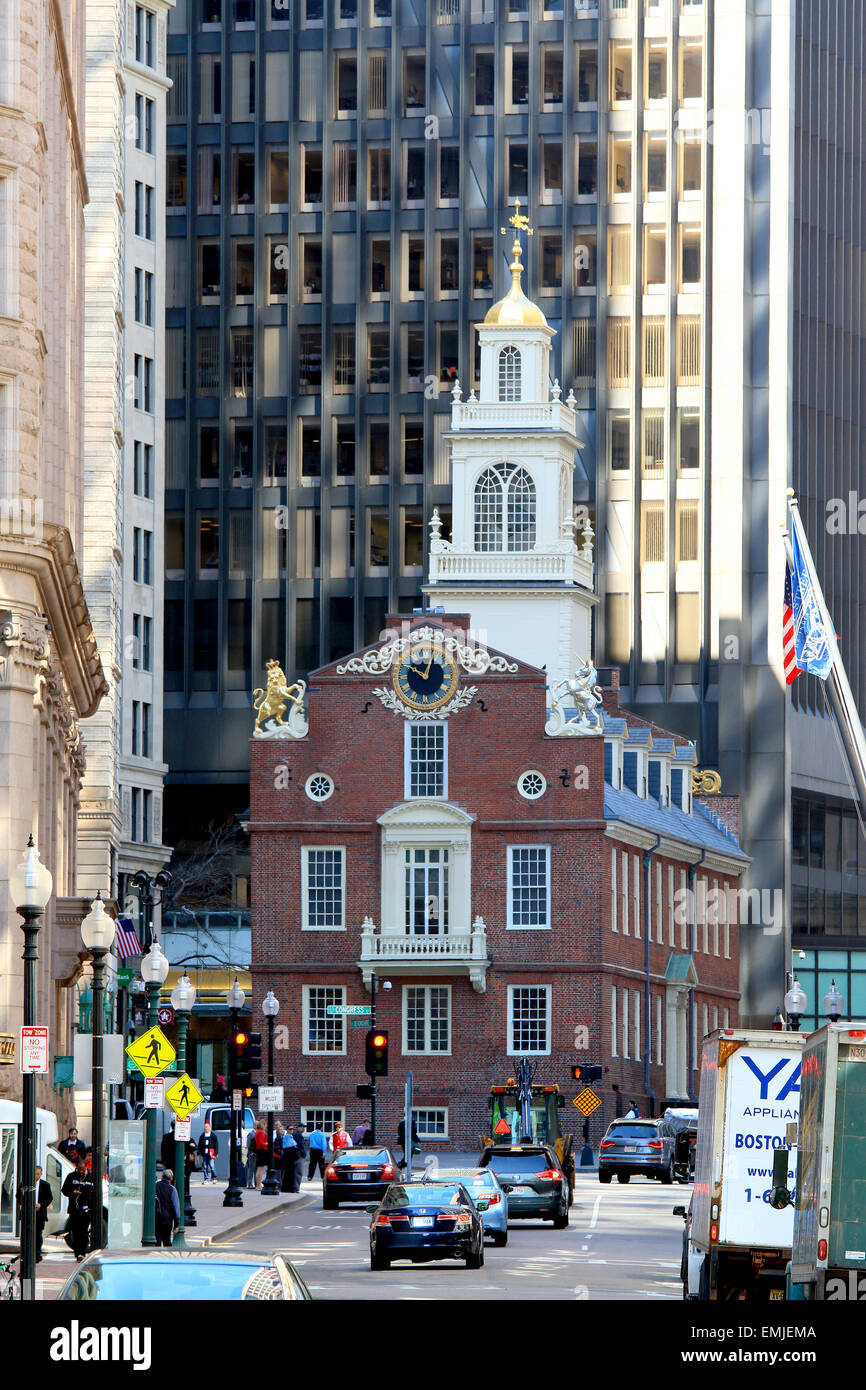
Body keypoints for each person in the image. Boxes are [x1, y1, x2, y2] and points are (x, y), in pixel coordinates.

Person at [16, 1166, 53, 1263]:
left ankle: (37, 1254)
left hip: (39, 1213)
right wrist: (26, 1203)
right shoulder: (24, 1184)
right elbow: (18, 1196)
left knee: (38, 1234)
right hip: (27, 1213)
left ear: (41, 1174)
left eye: (38, 1174)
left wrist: (41, 1205)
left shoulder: (45, 1185)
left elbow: (49, 1198)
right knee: (26, 1234)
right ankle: (25, 1254)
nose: (36, 1176)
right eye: (34, 1173)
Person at [61, 1158, 94, 1261]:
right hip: (74, 1208)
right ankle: (77, 1252)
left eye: (82, 1170)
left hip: (86, 1209)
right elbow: (64, 1190)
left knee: (83, 1231)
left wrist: (91, 1206)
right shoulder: (71, 1176)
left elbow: (95, 1192)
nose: (80, 1172)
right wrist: (72, 1192)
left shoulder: (91, 1177)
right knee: (75, 1232)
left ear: (86, 1168)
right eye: (79, 1169)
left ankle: (82, 1253)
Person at [154, 1168, 180, 1247]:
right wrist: (176, 1224)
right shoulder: (172, 1189)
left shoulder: (155, 1185)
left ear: (162, 1176)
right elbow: (176, 1208)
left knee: (157, 1240)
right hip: (167, 1220)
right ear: (171, 1178)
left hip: (156, 1218)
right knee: (167, 1241)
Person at [280, 1126, 298, 1193]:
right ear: (287, 1130)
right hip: (289, 1157)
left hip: (291, 1157)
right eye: (290, 1129)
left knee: (290, 1173)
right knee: (289, 1173)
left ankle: (288, 1188)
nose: (292, 1130)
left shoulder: (290, 1137)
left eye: (293, 1129)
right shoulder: (287, 1137)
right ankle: (288, 1188)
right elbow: (289, 1146)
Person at [290, 1123, 307, 1193]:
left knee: (297, 1172)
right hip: (299, 1156)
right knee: (298, 1172)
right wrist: (301, 1154)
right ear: (299, 1127)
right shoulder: (298, 1135)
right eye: (302, 1127)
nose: (304, 1129)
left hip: (299, 1156)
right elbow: (298, 1146)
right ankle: (296, 1188)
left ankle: (295, 1187)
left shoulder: (298, 1135)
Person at [254, 1118, 269, 1189]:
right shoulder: (261, 1132)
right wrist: (267, 1143)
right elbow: (260, 1143)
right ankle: (258, 1185)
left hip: (260, 1150)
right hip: (262, 1150)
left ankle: (258, 1184)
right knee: (260, 1169)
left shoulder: (258, 1131)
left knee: (259, 1169)